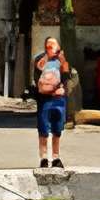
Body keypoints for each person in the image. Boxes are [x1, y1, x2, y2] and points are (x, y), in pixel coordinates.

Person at [31, 35, 71, 172]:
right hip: (45, 99)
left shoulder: (61, 60)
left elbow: (66, 74)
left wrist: (63, 61)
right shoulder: (41, 59)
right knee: (43, 130)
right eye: (50, 46)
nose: (53, 48)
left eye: (55, 45)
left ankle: (55, 157)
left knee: (57, 130)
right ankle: (43, 158)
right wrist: (48, 57)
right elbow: (38, 72)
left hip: (58, 99)